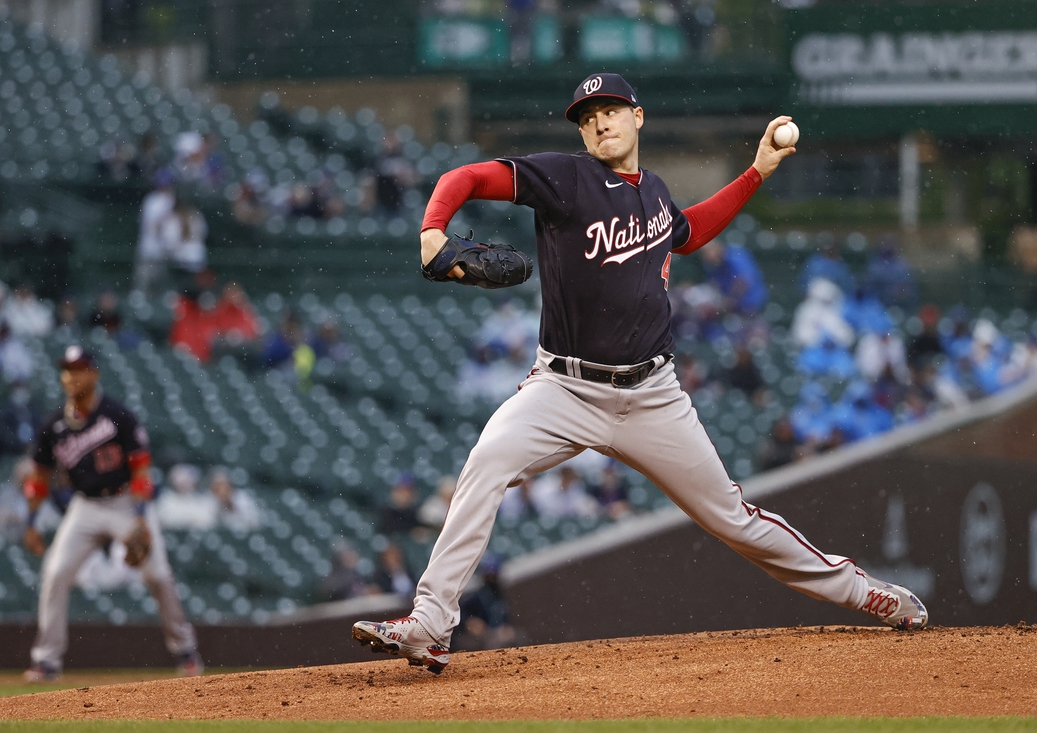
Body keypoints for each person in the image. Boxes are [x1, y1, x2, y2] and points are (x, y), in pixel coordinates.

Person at [352, 73, 928, 675]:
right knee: (485, 464)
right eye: (586, 116)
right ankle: (430, 624)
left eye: (610, 110)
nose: (598, 122)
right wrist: (432, 230)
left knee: (732, 517)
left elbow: (689, 231)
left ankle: (867, 593)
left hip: (653, 395)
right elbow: (465, 177)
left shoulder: (653, 192)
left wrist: (756, 172)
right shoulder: (566, 178)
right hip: (565, 388)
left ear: (638, 117)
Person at [20, 346, 202, 682]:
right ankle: (46, 661)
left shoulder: (117, 414)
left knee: (158, 576)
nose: (72, 376)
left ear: (95, 373)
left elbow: (141, 470)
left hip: (124, 502)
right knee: (56, 573)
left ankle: (186, 650)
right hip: (85, 506)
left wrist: (142, 518)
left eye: (80, 368)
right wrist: (31, 522)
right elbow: (39, 477)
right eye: (67, 370)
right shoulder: (54, 426)